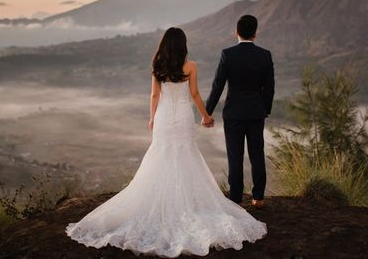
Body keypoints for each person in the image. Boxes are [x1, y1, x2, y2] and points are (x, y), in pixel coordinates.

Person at [65, 27, 266, 257]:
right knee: (186, 156)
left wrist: (152, 118)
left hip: (163, 118)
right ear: (183, 45)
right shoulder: (191, 66)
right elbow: (195, 94)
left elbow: (154, 96)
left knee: (161, 156)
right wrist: (206, 116)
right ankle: (187, 204)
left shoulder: (158, 66)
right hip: (182, 117)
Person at [205, 14, 275, 206]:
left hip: (234, 113)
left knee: (235, 156)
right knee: (257, 154)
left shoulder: (228, 54)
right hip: (256, 112)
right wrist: (265, 109)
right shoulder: (265, 55)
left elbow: (217, 85)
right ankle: (258, 197)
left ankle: (235, 198)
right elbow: (269, 88)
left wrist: (207, 111)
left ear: (236, 32)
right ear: (255, 33)